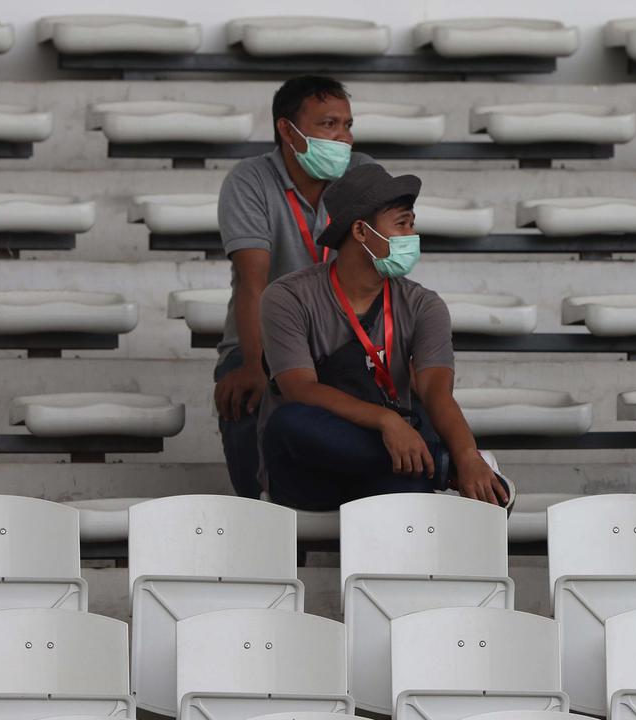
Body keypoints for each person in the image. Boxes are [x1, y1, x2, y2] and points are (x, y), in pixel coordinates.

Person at [258, 164, 512, 510]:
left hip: (396, 464)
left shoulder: (424, 306)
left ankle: (441, 465)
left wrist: (468, 454)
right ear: (361, 231)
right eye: (402, 224)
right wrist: (385, 420)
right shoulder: (288, 297)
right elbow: (299, 389)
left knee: (413, 483)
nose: (412, 234)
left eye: (413, 224)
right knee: (289, 423)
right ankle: (443, 466)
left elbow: (436, 392)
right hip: (312, 470)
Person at [213, 75, 373, 499]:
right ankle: (260, 517)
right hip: (266, 338)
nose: (344, 137)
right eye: (329, 124)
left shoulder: (365, 174)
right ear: (287, 130)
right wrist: (254, 364)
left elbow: (381, 276)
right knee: (243, 395)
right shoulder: (250, 180)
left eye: (348, 125)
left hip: (346, 341)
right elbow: (252, 283)